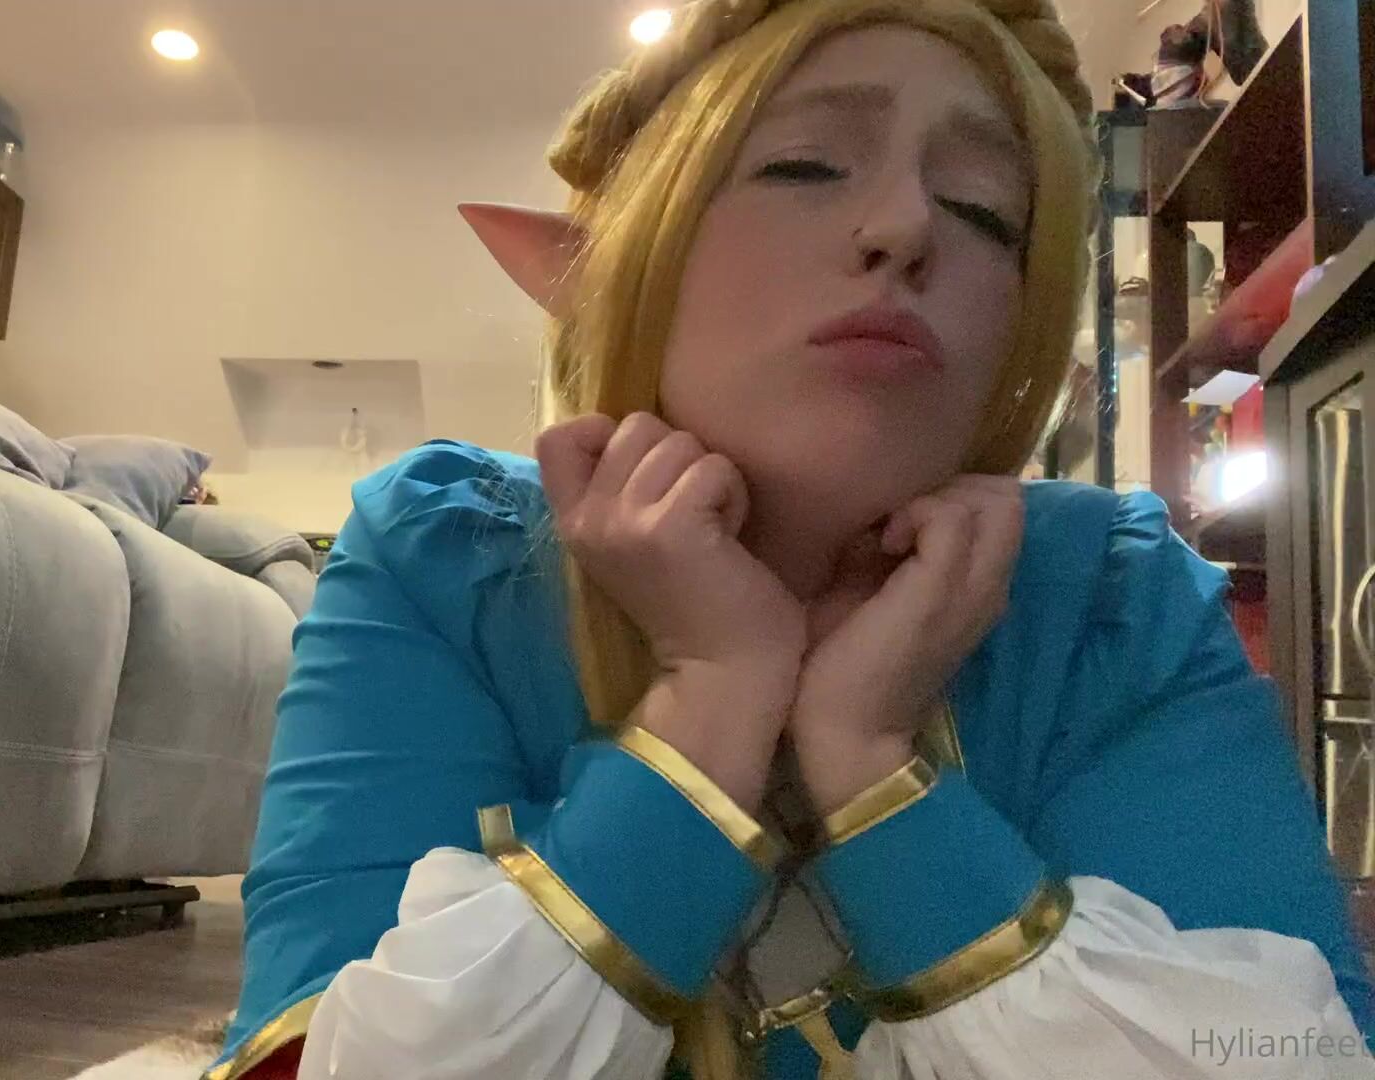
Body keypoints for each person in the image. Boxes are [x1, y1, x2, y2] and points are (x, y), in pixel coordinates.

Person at [206, 0, 1375, 1076]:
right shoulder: (445, 555)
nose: (906, 225)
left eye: (984, 211)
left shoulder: (1112, 593)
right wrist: (712, 699)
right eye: (804, 165)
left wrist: (872, 767)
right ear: (642, 249)